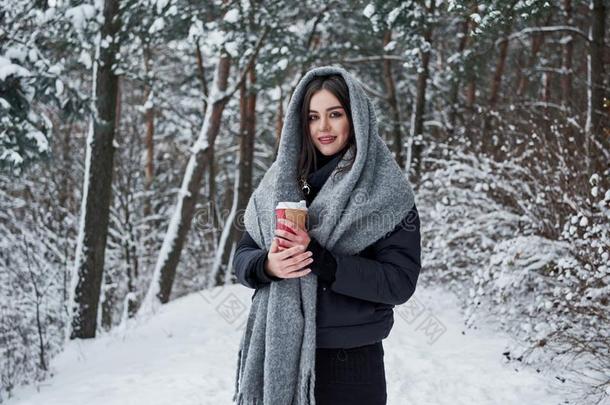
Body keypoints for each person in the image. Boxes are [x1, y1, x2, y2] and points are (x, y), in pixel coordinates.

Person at [232, 66, 421, 405]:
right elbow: (243, 255)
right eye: (312, 117)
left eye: (335, 114)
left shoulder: (386, 191)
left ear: (356, 117)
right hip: (277, 348)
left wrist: (322, 260)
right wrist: (268, 266)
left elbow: (398, 283)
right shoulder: (280, 180)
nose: (323, 127)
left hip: (351, 361)